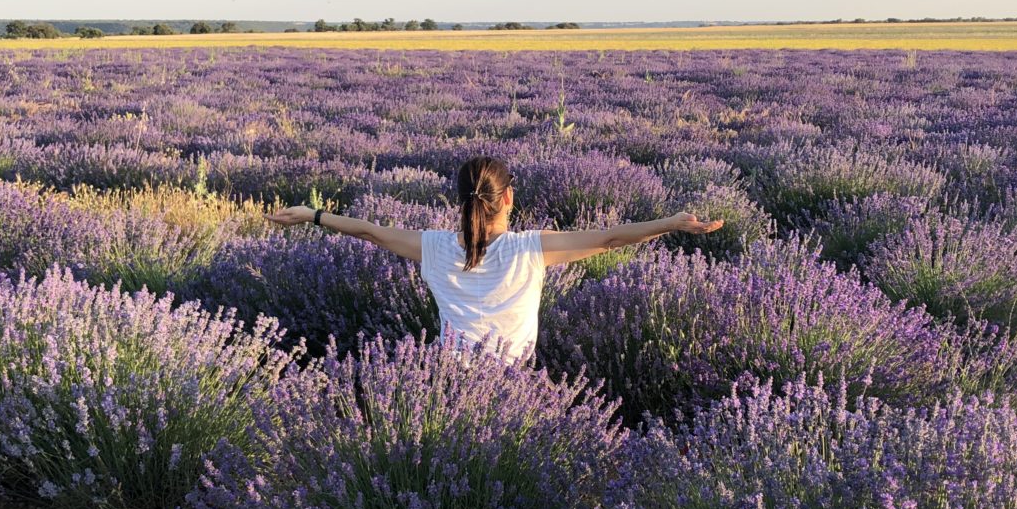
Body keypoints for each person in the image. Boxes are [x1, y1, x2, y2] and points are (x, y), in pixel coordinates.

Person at [264, 155, 724, 364]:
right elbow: (609, 239)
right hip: (512, 379)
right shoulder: (530, 248)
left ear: (461, 198)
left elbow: (368, 231)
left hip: (449, 374)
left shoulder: (436, 246)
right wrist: (670, 222)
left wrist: (313, 214)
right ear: (507, 198)